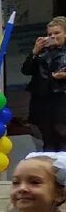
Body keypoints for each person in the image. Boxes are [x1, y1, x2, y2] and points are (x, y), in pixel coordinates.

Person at [22, 17, 66, 152]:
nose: (52, 36)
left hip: (62, 100)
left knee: (62, 137)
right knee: (47, 139)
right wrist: (34, 51)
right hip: (42, 100)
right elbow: (26, 70)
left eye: (57, 33)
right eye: (49, 34)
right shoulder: (42, 52)